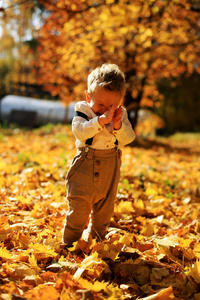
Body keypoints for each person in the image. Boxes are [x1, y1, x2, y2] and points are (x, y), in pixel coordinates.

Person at [62, 63, 136, 247]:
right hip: (85, 166)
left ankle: (97, 244)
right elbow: (80, 131)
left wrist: (118, 126)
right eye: (100, 104)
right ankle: (69, 244)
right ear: (88, 96)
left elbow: (129, 138)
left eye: (110, 105)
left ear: (119, 101)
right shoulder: (84, 111)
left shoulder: (121, 114)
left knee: (105, 210)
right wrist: (99, 121)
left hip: (110, 169)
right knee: (78, 208)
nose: (105, 109)